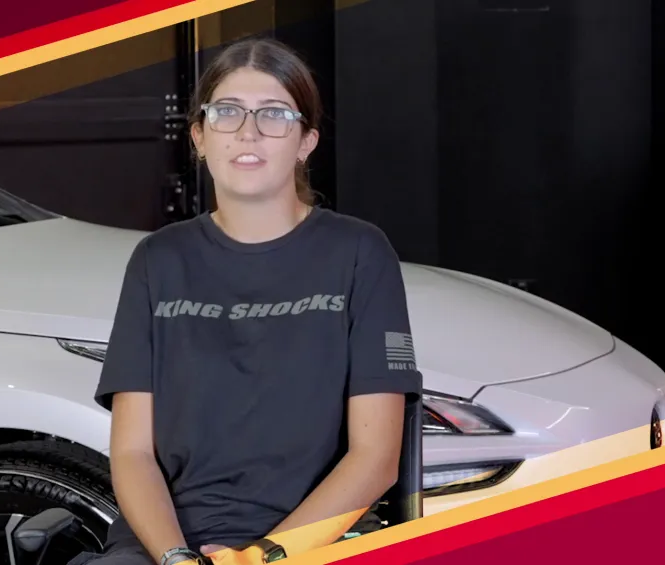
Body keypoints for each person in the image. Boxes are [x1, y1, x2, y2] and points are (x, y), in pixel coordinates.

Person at [74, 37, 421, 565]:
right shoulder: (158, 260)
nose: (248, 132)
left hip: (315, 540)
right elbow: (133, 452)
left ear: (306, 141)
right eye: (227, 112)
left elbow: (375, 458)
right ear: (199, 136)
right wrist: (176, 557)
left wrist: (262, 556)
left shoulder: (359, 253)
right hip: (168, 543)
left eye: (274, 114)